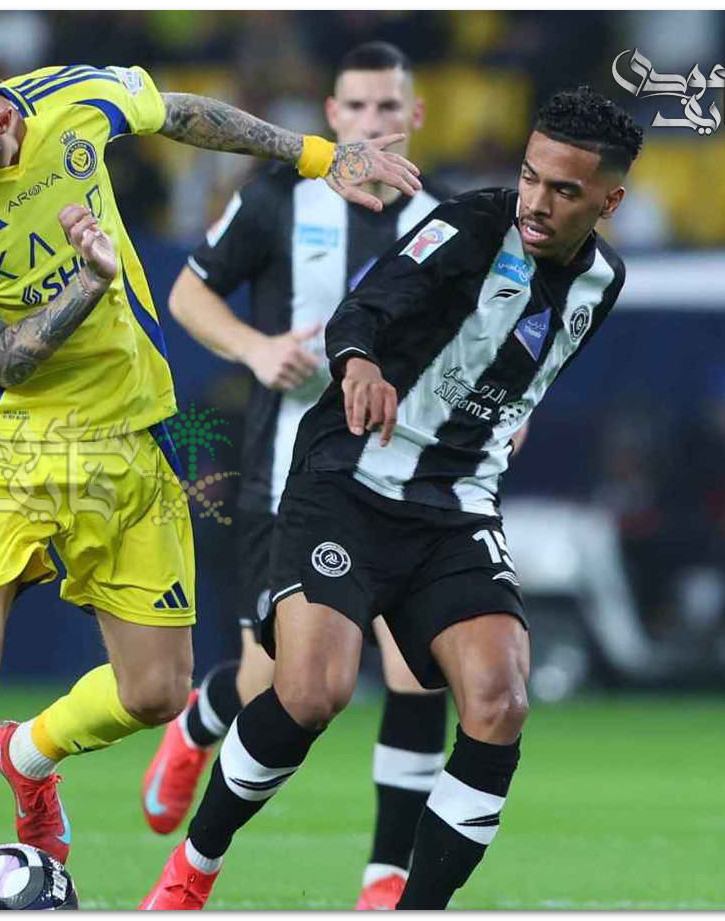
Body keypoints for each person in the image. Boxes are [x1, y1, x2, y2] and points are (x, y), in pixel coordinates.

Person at [0, 51, 421, 907]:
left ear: (3, 122)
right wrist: (89, 284)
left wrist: (320, 156)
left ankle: (26, 756)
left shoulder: (72, 102)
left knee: (157, 691)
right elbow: (5, 361)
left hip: (127, 431)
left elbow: (180, 113)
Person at [139, 86, 641, 910]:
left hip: (455, 505)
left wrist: (507, 414)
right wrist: (359, 365)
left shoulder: (603, 282)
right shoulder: (473, 225)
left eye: (563, 190)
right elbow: (362, 309)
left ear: (608, 200)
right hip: (350, 478)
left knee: (499, 699)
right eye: (529, 176)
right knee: (312, 689)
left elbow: (523, 363)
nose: (536, 202)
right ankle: (192, 870)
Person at [140, 41, 466, 910]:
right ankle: (207, 714)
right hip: (289, 476)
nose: (371, 124)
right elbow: (186, 294)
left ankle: (384, 876)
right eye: (355, 109)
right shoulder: (278, 202)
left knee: (413, 668)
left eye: (387, 109)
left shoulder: (440, 228)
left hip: (400, 483)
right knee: (279, 688)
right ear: (331, 117)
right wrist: (255, 348)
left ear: (414, 118)